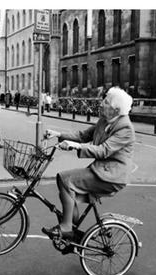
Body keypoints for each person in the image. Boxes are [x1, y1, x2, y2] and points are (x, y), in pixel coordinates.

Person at [42, 87, 135, 241]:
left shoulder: (125, 128)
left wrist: (75, 146)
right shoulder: (104, 120)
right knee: (65, 188)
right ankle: (73, 224)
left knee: (65, 179)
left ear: (116, 110)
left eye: (105, 102)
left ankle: (66, 228)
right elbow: (83, 135)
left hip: (112, 176)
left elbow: (104, 151)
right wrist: (58, 134)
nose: (101, 104)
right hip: (101, 170)